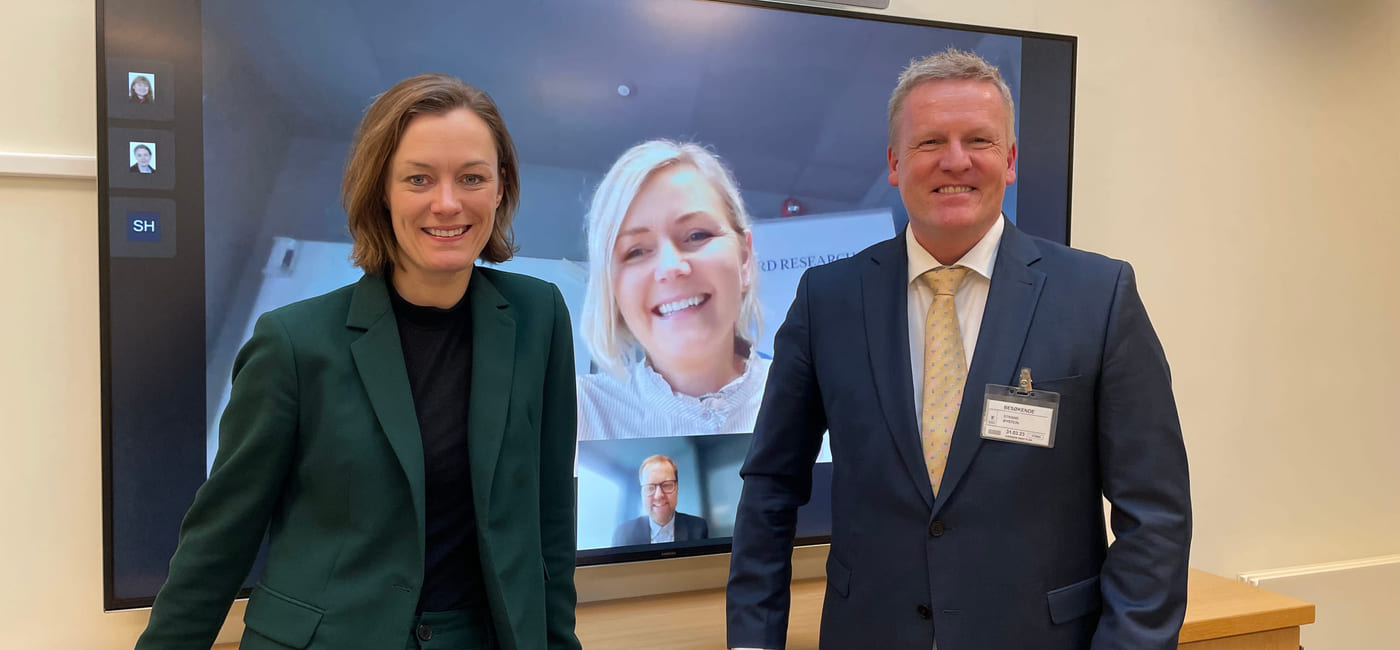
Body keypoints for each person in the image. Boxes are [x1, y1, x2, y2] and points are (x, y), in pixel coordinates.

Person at [726, 48, 1191, 650]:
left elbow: (1154, 514)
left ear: (1011, 159)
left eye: (979, 139)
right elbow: (770, 486)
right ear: (894, 162)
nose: (955, 161)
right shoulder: (827, 300)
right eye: (929, 143)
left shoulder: (1099, 296)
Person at [136, 73, 581, 650]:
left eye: (472, 177)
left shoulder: (538, 315)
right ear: (381, 192)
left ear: (500, 189)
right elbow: (220, 541)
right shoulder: (292, 343)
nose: (448, 203)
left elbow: (550, 517)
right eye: (419, 178)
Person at [577, 140, 767, 440]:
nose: (670, 266)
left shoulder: (823, 400)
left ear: (744, 259)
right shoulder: (573, 415)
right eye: (636, 251)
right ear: (611, 288)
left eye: (696, 235)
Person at [611, 454, 710, 545]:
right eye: (650, 487)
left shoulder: (698, 528)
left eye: (667, 485)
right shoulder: (623, 534)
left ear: (677, 488)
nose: (659, 495)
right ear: (642, 493)